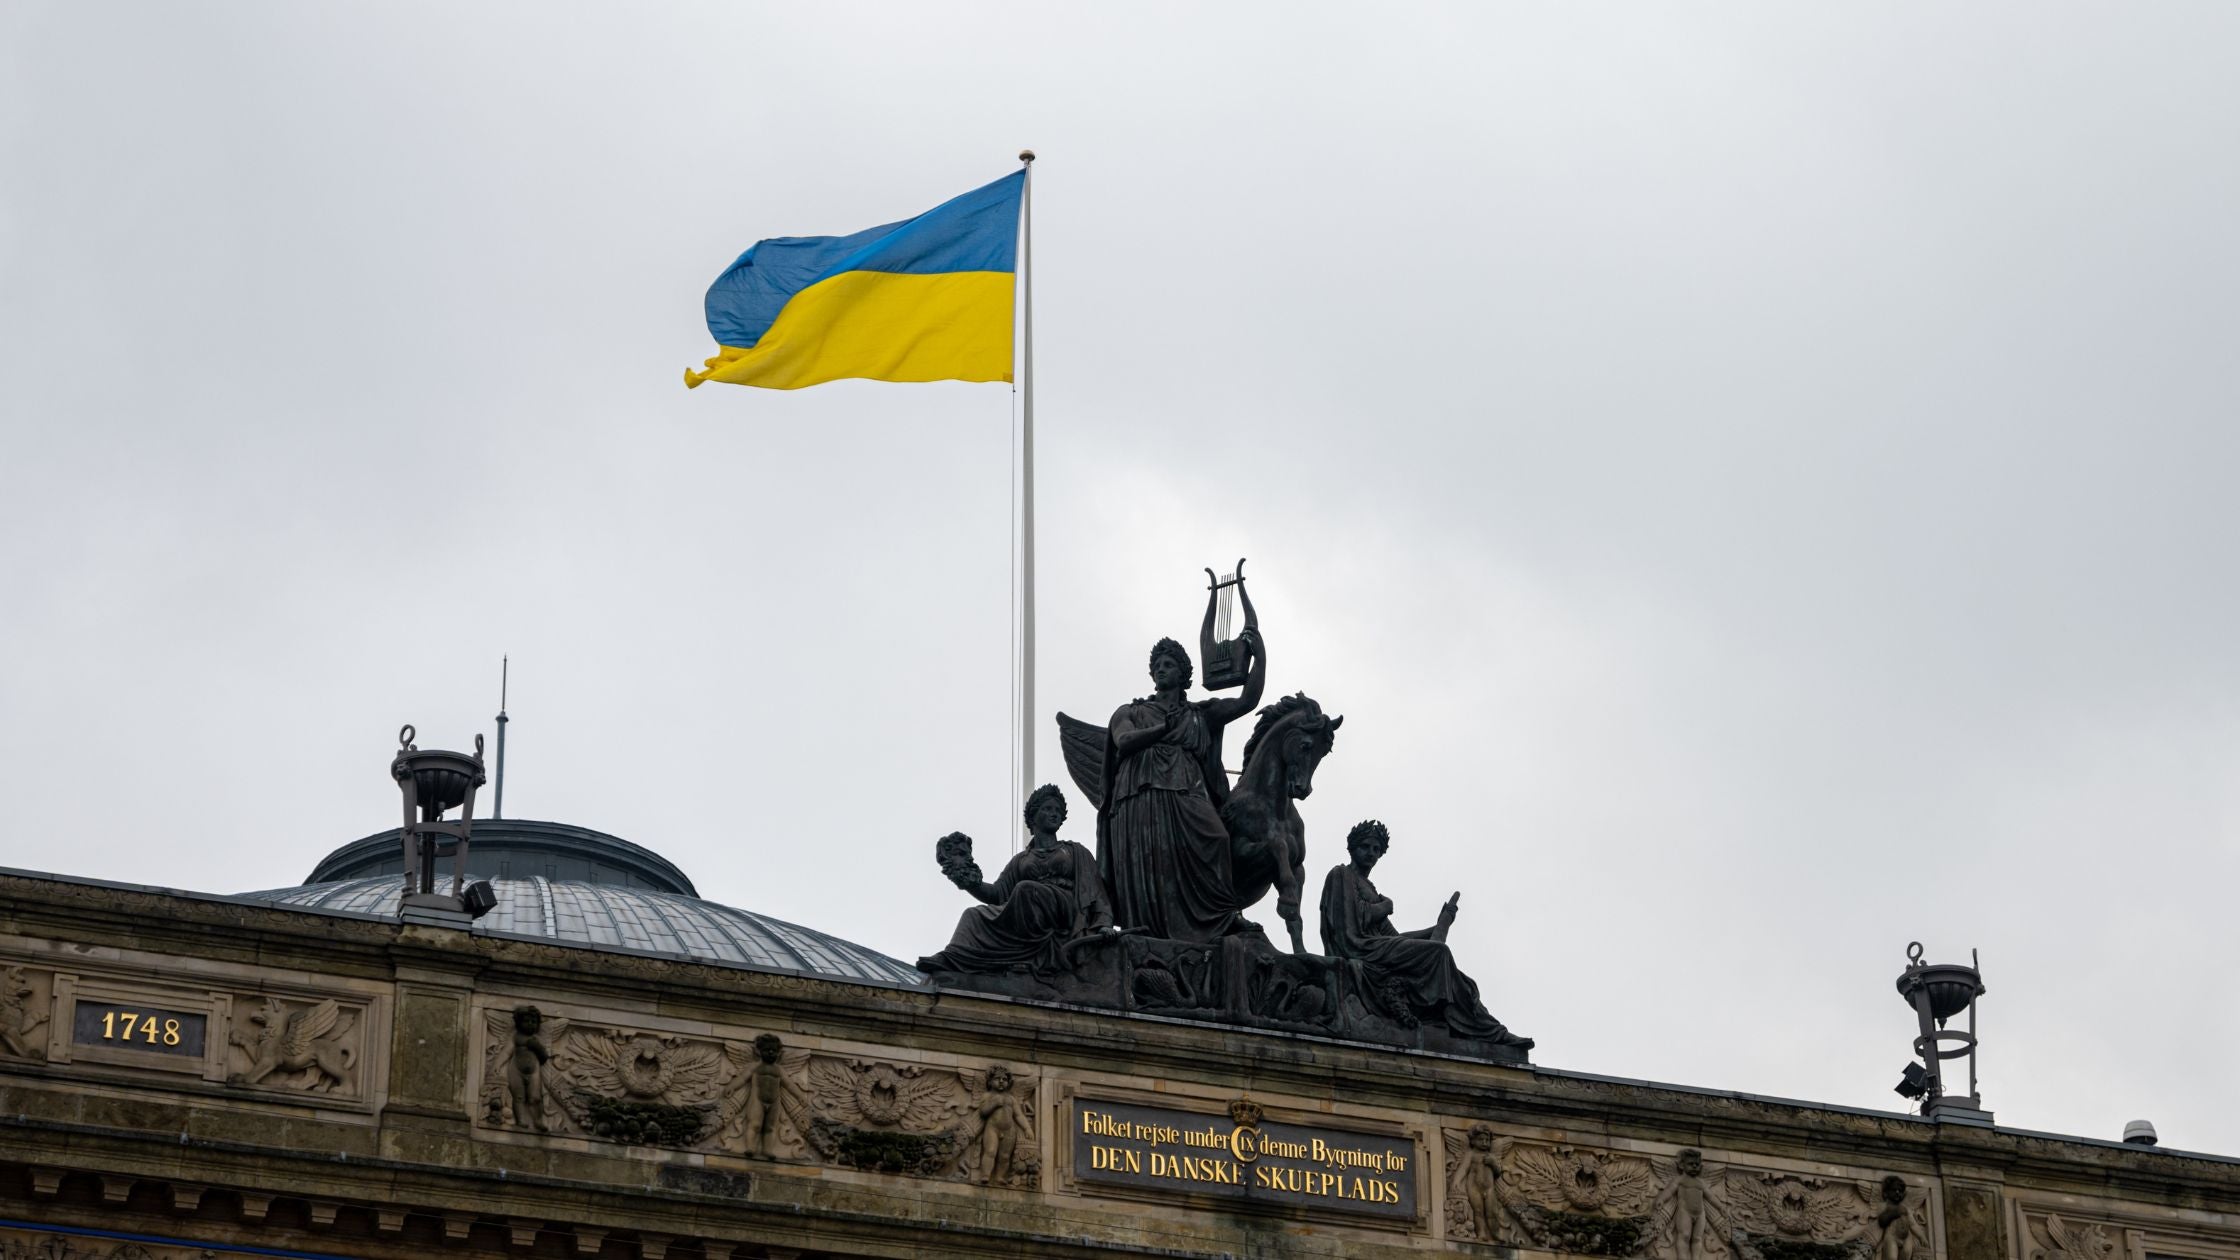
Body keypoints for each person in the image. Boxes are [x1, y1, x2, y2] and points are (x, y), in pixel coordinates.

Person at [1101, 633, 1263, 941]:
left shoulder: (1201, 714)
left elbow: (1247, 701)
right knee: (1150, 858)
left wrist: (1260, 658)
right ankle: (1151, 930)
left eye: (1169, 664)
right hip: (1140, 793)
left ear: (1183, 674)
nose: (1160, 670)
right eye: (1157, 665)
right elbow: (1123, 741)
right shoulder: (1130, 712)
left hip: (1186, 786)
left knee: (1216, 838)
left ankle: (1223, 915)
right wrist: (1163, 728)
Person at [1318, 820, 1532, 1049]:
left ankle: (1490, 1030)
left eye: (1376, 849)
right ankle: (1484, 1030)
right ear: (1352, 847)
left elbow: (1397, 939)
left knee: (1460, 979)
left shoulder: (1371, 889)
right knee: (1440, 953)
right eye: (1366, 846)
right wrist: (1384, 907)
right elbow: (1347, 923)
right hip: (1357, 946)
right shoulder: (1340, 874)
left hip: (1376, 947)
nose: (1371, 853)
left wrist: (1439, 925)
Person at [918, 785, 1113, 977]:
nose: (1055, 814)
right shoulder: (1020, 860)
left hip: (1064, 909)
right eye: (1048, 809)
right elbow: (997, 894)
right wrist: (967, 878)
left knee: (1026, 890)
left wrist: (1105, 923)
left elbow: (1097, 891)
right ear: (1033, 816)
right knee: (973, 915)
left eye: (1058, 810)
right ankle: (952, 958)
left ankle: (1024, 956)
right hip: (1027, 908)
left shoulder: (1075, 851)